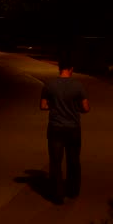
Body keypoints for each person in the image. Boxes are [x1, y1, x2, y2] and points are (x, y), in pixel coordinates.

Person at [40, 58, 90, 203]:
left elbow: (43, 106)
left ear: (59, 68)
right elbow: (86, 108)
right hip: (73, 128)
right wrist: (76, 109)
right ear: (71, 68)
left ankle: (58, 194)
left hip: (55, 128)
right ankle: (73, 191)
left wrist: (54, 106)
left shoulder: (49, 85)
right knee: (73, 160)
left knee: (56, 161)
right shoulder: (78, 85)